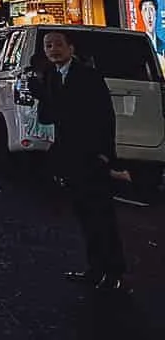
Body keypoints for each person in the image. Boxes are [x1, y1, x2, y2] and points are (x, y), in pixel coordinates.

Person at [32, 30, 127, 291]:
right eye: (48, 46)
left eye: (59, 45)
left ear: (72, 48)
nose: (53, 50)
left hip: (92, 155)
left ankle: (115, 272)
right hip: (69, 156)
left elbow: (105, 117)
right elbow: (48, 117)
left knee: (102, 215)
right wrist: (40, 92)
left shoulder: (88, 76)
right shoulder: (51, 76)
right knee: (84, 215)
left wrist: (106, 155)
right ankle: (95, 269)